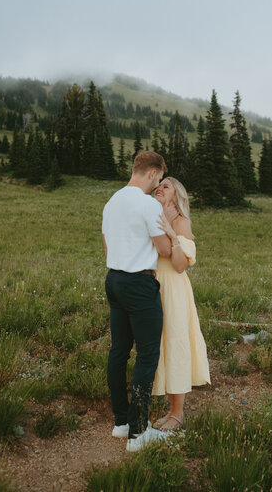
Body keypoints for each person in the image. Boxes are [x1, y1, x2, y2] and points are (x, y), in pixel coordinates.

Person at [102, 151, 172, 452]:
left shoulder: (112, 201)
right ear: (152, 173)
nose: (158, 183)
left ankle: (122, 422)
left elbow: (106, 247)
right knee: (147, 354)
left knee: (118, 350)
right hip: (139, 283)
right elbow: (165, 249)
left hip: (114, 279)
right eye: (159, 177)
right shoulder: (147, 204)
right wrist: (170, 231)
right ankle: (139, 433)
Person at [151, 177, 210, 431]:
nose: (159, 188)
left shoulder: (181, 222)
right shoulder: (154, 216)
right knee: (162, 344)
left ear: (176, 195)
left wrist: (172, 233)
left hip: (173, 288)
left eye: (166, 185)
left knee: (176, 344)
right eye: (158, 185)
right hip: (154, 286)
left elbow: (179, 264)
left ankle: (178, 413)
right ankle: (170, 409)